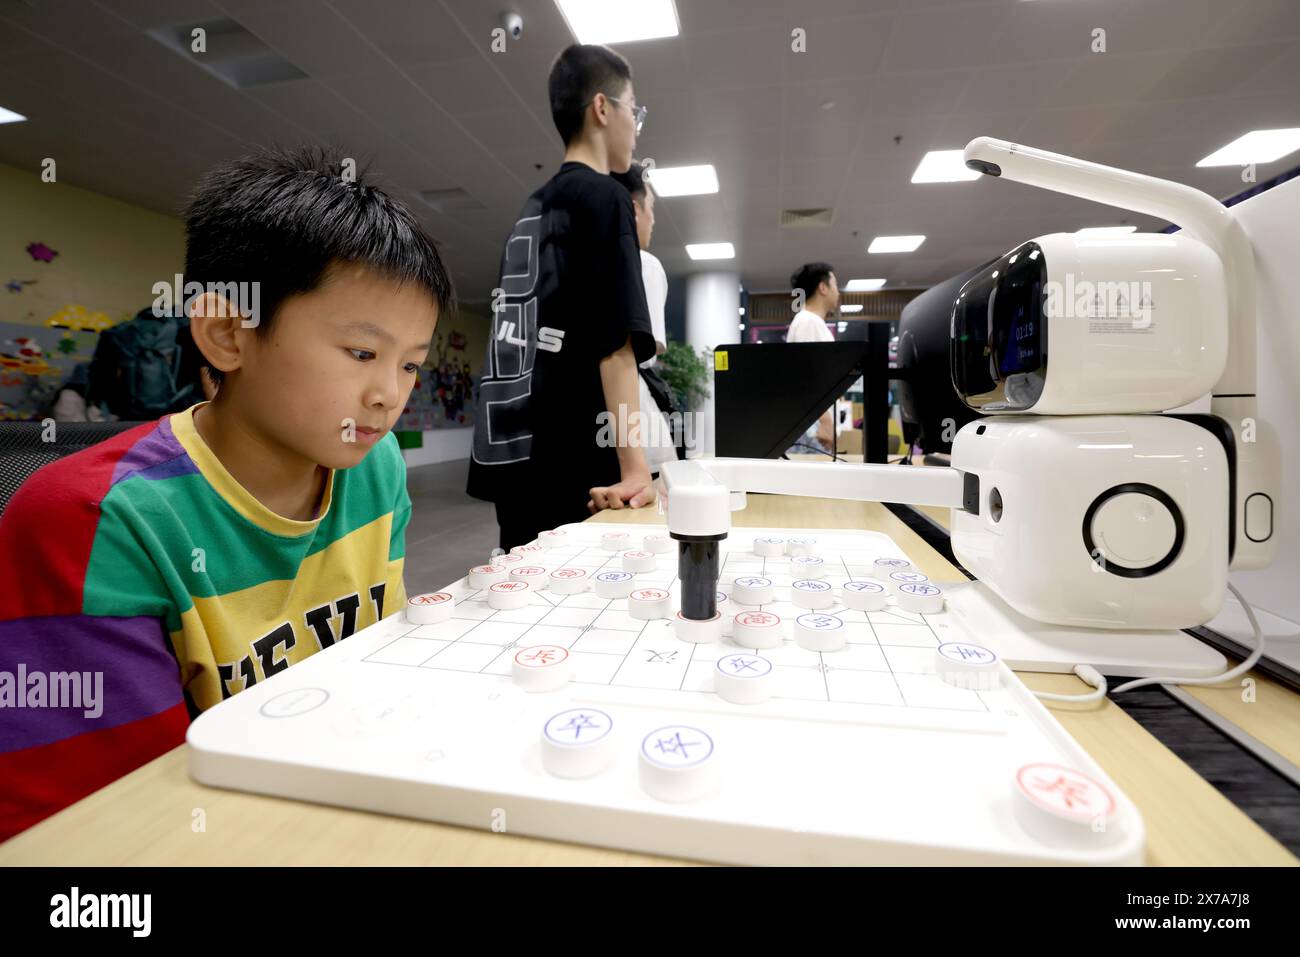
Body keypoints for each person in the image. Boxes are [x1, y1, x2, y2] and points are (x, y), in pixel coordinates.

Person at [0, 146, 453, 840]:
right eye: (363, 353)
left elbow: (368, 683)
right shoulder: (99, 521)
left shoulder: (376, 468)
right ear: (226, 333)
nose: (388, 394)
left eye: (410, 365)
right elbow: (114, 826)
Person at [467, 44, 657, 550]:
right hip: (573, 454)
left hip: (515, 452)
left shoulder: (532, 208)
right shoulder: (606, 197)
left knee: (530, 598)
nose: (636, 127)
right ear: (602, 108)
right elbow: (615, 342)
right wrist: (635, 467)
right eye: (633, 110)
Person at [611, 160, 680, 472]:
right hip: (638, 434)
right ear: (635, 208)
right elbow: (644, 356)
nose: (654, 219)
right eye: (651, 207)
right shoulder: (644, 264)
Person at [787, 261, 841, 453]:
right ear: (823, 287)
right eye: (835, 285)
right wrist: (825, 421)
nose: (838, 292)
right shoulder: (808, 322)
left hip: (813, 426)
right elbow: (807, 377)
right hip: (813, 429)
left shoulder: (812, 322)